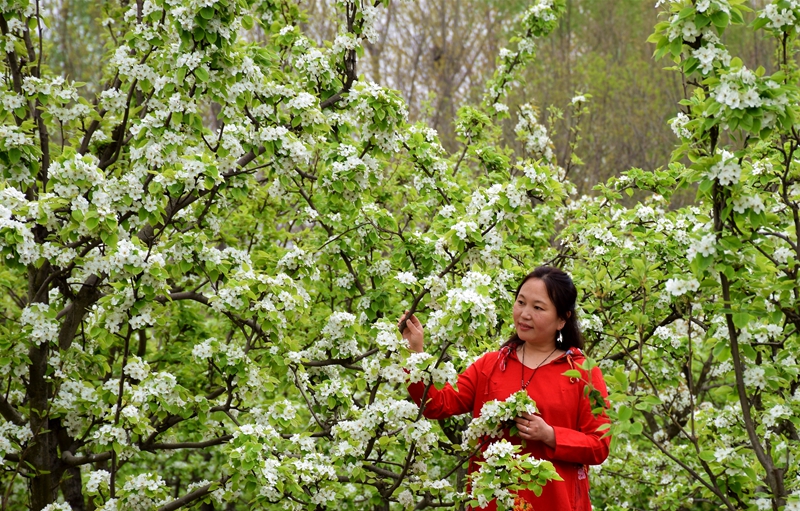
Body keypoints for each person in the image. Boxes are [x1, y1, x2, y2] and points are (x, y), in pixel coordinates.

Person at [401, 266, 610, 511]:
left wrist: (550, 435)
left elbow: (599, 445)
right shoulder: (491, 365)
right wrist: (413, 355)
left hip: (555, 501)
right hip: (491, 502)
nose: (524, 314)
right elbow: (437, 404)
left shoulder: (582, 372)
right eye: (520, 302)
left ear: (562, 319)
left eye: (538, 307)